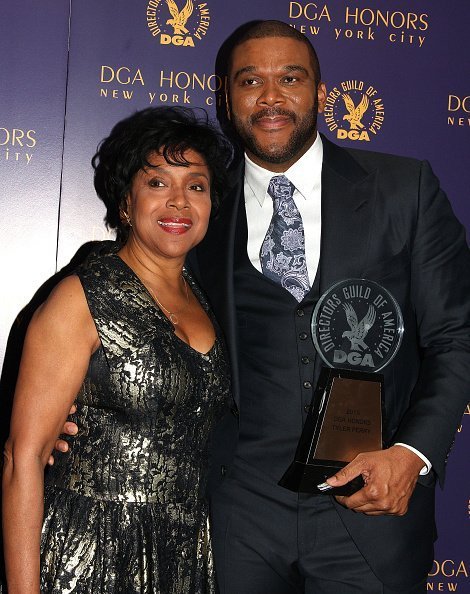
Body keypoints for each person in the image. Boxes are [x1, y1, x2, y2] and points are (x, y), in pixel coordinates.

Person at [54, 20, 470, 594]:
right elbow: (133, 287)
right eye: (250, 81)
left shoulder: (405, 189)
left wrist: (413, 453)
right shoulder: (201, 204)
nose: (270, 97)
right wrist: (71, 410)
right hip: (235, 513)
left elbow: (457, 336)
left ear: (321, 93)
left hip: (371, 511)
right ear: (226, 99)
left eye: (290, 79)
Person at [2, 106, 233, 593]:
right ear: (125, 202)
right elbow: (23, 460)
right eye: (157, 183)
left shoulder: (209, 302)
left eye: (196, 185)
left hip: (183, 557)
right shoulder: (81, 297)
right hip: (84, 556)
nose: (179, 202)